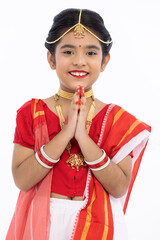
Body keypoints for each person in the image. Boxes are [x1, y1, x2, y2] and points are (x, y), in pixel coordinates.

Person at [6, 8, 151, 240]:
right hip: (42, 225)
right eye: (68, 51)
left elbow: (119, 187)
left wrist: (82, 136)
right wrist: (66, 132)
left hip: (98, 226)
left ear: (104, 61)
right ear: (52, 58)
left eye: (91, 53)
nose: (79, 61)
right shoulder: (31, 113)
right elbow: (22, 180)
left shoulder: (118, 120)